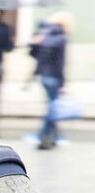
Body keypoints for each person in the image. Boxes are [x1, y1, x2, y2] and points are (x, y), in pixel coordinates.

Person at [30, 12, 71, 150]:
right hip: (54, 76)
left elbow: (36, 54)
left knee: (52, 107)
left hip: (44, 74)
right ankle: (44, 135)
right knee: (53, 109)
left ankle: (52, 136)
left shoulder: (44, 34)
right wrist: (63, 82)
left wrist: (35, 44)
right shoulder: (61, 38)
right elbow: (59, 62)